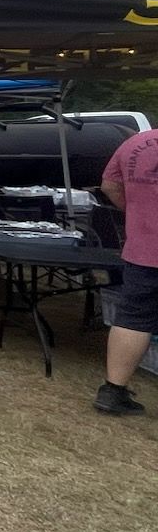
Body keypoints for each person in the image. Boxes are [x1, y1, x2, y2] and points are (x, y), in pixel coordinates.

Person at [94, 126, 158, 416]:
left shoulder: (137, 142)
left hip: (144, 247)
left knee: (133, 318)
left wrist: (136, 211)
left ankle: (113, 391)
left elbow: (109, 185)